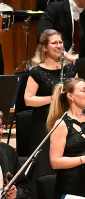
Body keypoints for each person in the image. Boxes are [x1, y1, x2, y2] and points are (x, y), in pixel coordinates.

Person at [23, 30, 78, 159]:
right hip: (45, 123)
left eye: (60, 42)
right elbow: (28, 99)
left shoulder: (70, 69)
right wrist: (52, 98)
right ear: (44, 47)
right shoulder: (37, 72)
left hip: (69, 120)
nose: (59, 46)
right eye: (54, 43)